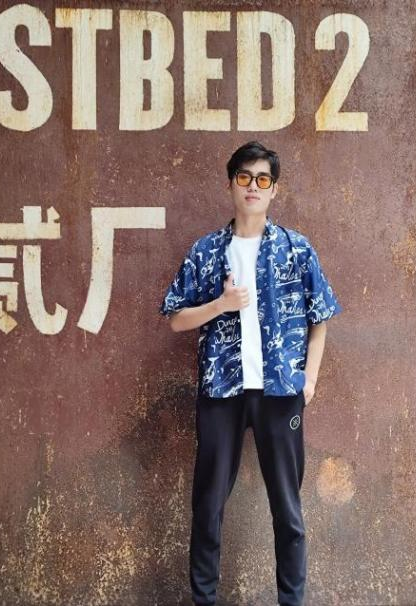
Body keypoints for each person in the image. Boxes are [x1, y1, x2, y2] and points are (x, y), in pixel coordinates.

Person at [158, 141, 342, 606]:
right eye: (244, 177)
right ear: (231, 184)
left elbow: (320, 317)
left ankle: (291, 600)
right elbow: (176, 318)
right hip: (222, 392)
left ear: (274, 189)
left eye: (263, 179)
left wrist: (309, 379)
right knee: (208, 505)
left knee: (288, 510)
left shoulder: (296, 249)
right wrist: (219, 304)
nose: (253, 187)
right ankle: (204, 599)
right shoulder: (206, 251)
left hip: (280, 393)